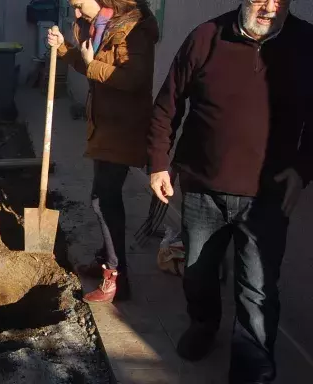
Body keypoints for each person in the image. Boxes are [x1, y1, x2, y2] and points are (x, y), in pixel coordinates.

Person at [148, 1, 312, 382]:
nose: (269, 6)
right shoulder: (207, 36)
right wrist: (158, 161)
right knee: (197, 274)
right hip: (203, 189)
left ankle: (251, 368)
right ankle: (204, 325)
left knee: (256, 289)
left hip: (268, 197)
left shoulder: (306, 44)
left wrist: (303, 171)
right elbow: (168, 103)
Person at [46, 0, 159, 303]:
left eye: (80, 5)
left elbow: (134, 80)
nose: (77, 13)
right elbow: (91, 66)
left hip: (123, 127)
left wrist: (91, 63)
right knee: (103, 196)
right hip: (105, 125)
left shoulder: (133, 30)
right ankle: (106, 257)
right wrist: (64, 49)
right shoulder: (101, 27)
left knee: (103, 200)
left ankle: (116, 276)